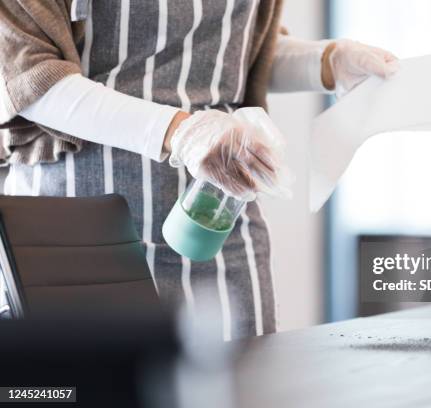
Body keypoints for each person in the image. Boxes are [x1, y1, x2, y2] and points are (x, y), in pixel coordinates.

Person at [0, 0, 398, 339]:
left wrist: (327, 61)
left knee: (246, 388)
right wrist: (181, 132)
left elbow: (238, 48)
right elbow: (27, 75)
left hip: (221, 214)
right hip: (75, 221)